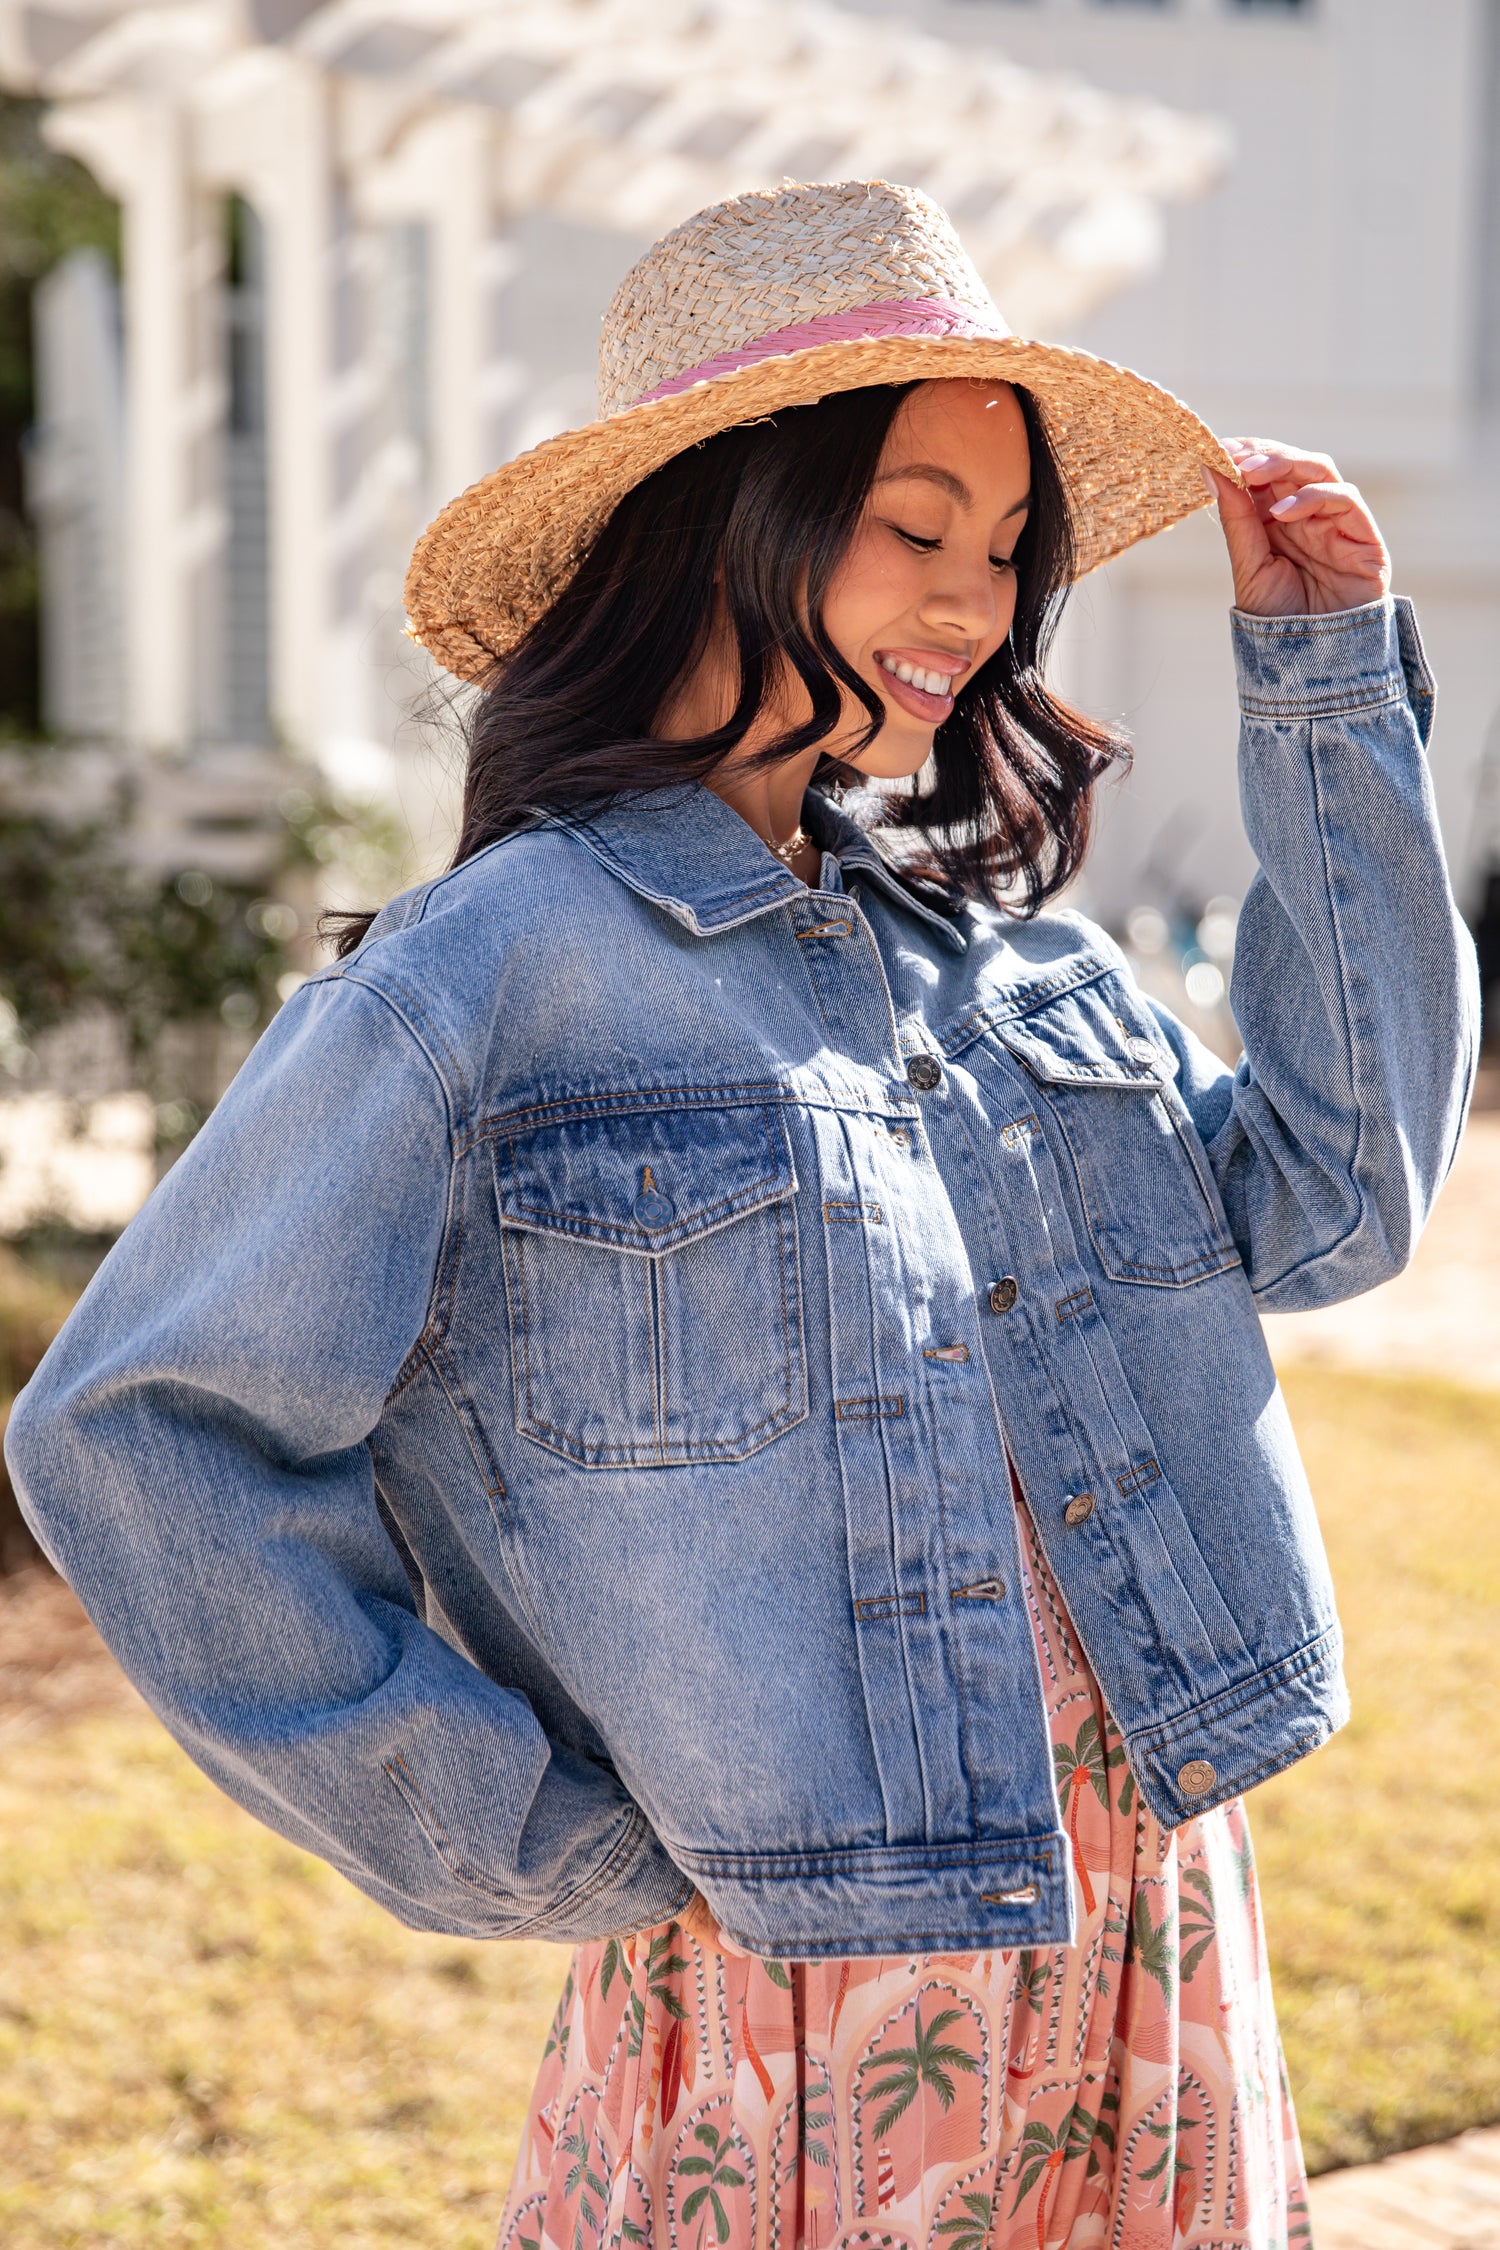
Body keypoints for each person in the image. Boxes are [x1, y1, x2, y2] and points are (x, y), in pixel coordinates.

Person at [7, 180, 1476, 2250]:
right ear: (730, 513)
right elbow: (140, 1431)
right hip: (806, 1986)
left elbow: (1338, 1204)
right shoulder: (482, 979)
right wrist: (516, 1840)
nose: (976, 600)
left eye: (1004, 549)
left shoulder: (1009, 969)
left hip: (1147, 1923)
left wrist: (1325, 694)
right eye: (913, 521)